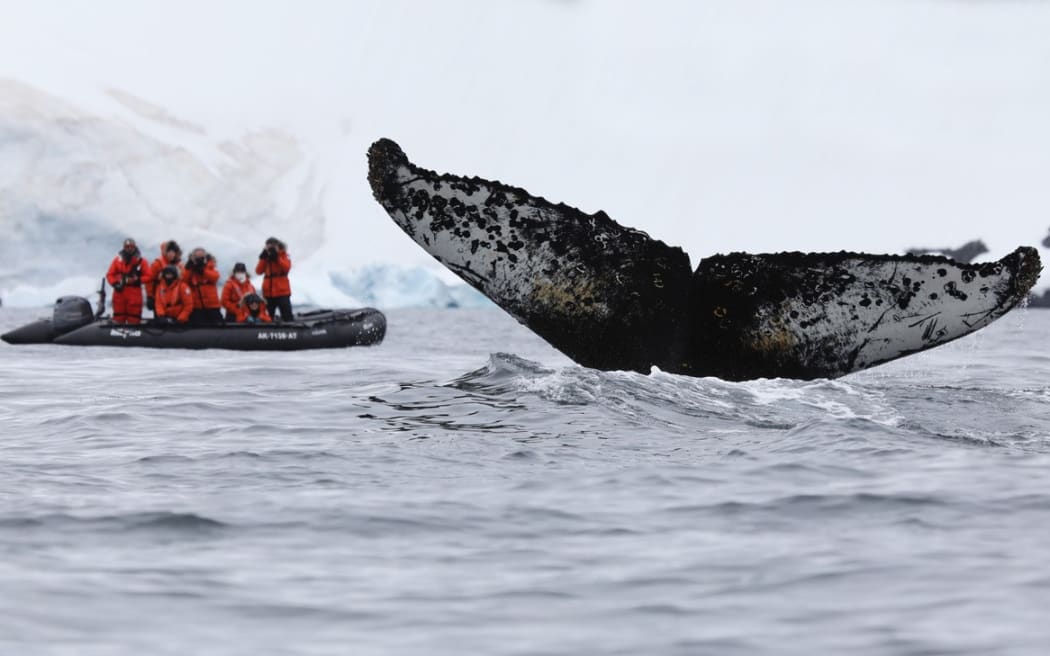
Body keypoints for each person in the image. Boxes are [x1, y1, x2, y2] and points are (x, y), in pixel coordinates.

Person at [105, 238, 151, 325]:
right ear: (124, 247)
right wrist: (115, 283)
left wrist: (138, 280)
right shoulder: (117, 260)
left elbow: (149, 276)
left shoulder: (141, 262)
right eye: (127, 247)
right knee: (118, 319)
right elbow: (110, 274)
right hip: (120, 292)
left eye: (131, 247)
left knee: (134, 320)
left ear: (135, 247)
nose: (129, 248)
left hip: (134, 294)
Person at [182, 247, 223, 326]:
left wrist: (203, 270)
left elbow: (215, 277)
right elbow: (184, 281)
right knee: (197, 328)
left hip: (212, 306)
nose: (199, 260)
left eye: (201, 258)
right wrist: (189, 268)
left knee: (218, 326)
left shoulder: (210, 267)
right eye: (197, 258)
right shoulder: (189, 269)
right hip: (197, 307)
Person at [256, 237, 293, 321]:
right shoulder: (266, 257)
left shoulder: (283, 255)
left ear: (277, 245)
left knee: (287, 315)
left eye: (272, 246)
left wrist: (277, 258)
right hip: (268, 293)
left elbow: (286, 268)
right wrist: (263, 259)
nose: (270, 248)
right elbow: (258, 271)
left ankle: (290, 330)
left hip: (282, 292)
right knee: (268, 317)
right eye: (268, 246)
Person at [147, 240, 183, 313]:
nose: (171, 254)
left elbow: (183, 282)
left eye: (173, 252)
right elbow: (149, 280)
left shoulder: (180, 265)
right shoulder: (157, 264)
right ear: (165, 252)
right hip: (160, 299)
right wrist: (150, 296)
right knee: (160, 320)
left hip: (176, 300)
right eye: (169, 251)